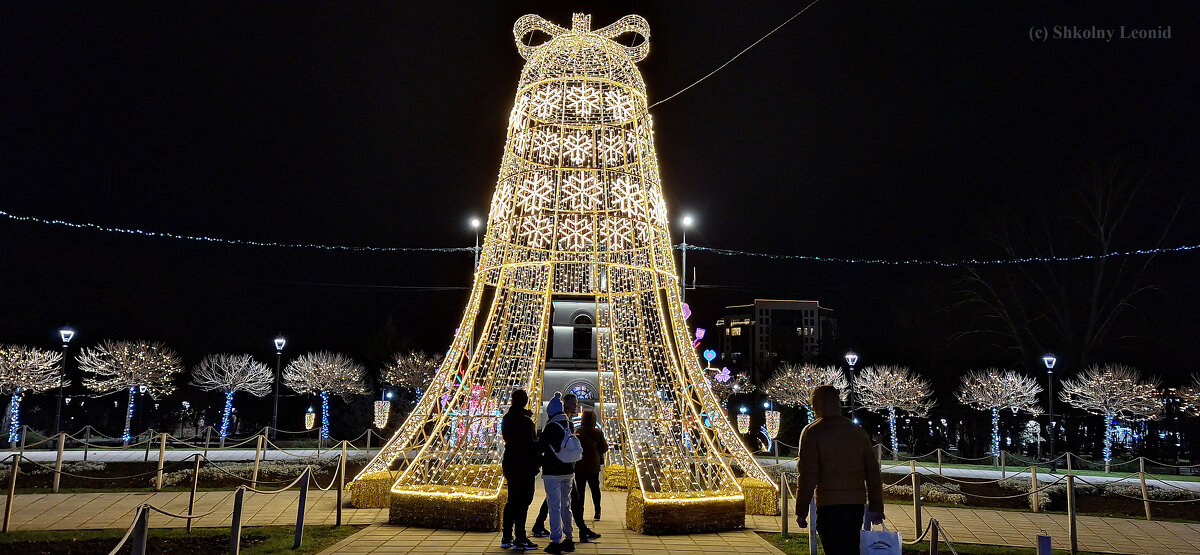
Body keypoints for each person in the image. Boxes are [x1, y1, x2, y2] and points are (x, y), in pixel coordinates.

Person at [795, 385, 885, 555]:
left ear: (815, 404)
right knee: (851, 548)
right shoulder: (857, 431)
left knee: (833, 549)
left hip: (828, 504)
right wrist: (876, 507)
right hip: (855, 504)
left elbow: (808, 475)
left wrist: (801, 510)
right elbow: (873, 472)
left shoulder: (812, 432)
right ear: (838, 402)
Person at [530, 393, 578, 537]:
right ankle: (569, 536)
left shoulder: (551, 426)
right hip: (568, 470)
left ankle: (556, 539)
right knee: (566, 506)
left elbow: (541, 447)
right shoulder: (569, 424)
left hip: (552, 471)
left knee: (554, 507)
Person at [501, 389, 540, 552]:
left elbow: (507, 438)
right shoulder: (525, 422)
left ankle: (507, 536)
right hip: (524, 465)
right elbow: (531, 444)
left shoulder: (507, 419)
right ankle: (520, 537)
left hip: (510, 463)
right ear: (523, 401)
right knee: (523, 502)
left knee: (512, 501)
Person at [572, 409, 607, 524]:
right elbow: (604, 448)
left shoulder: (578, 431)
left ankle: (579, 512)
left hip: (580, 464)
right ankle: (597, 511)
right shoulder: (597, 433)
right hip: (593, 464)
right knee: (595, 488)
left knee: (580, 490)